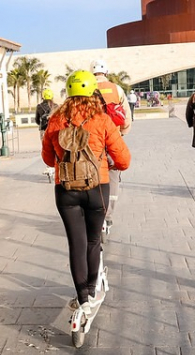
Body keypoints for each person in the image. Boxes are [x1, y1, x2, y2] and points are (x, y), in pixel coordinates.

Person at [41, 70, 131, 315]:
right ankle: (91, 290)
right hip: (97, 188)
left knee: (76, 243)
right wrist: (108, 161)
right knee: (93, 241)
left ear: (68, 93)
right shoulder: (102, 119)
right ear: (94, 92)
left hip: (66, 190)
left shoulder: (56, 120)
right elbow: (124, 160)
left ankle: (81, 297)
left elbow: (48, 160)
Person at [92, 59, 132, 238]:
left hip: (93, 140)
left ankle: (94, 214)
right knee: (113, 175)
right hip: (113, 137)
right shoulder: (116, 89)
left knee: (94, 175)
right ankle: (108, 216)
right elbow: (126, 114)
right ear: (106, 72)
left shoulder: (86, 88)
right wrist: (122, 132)